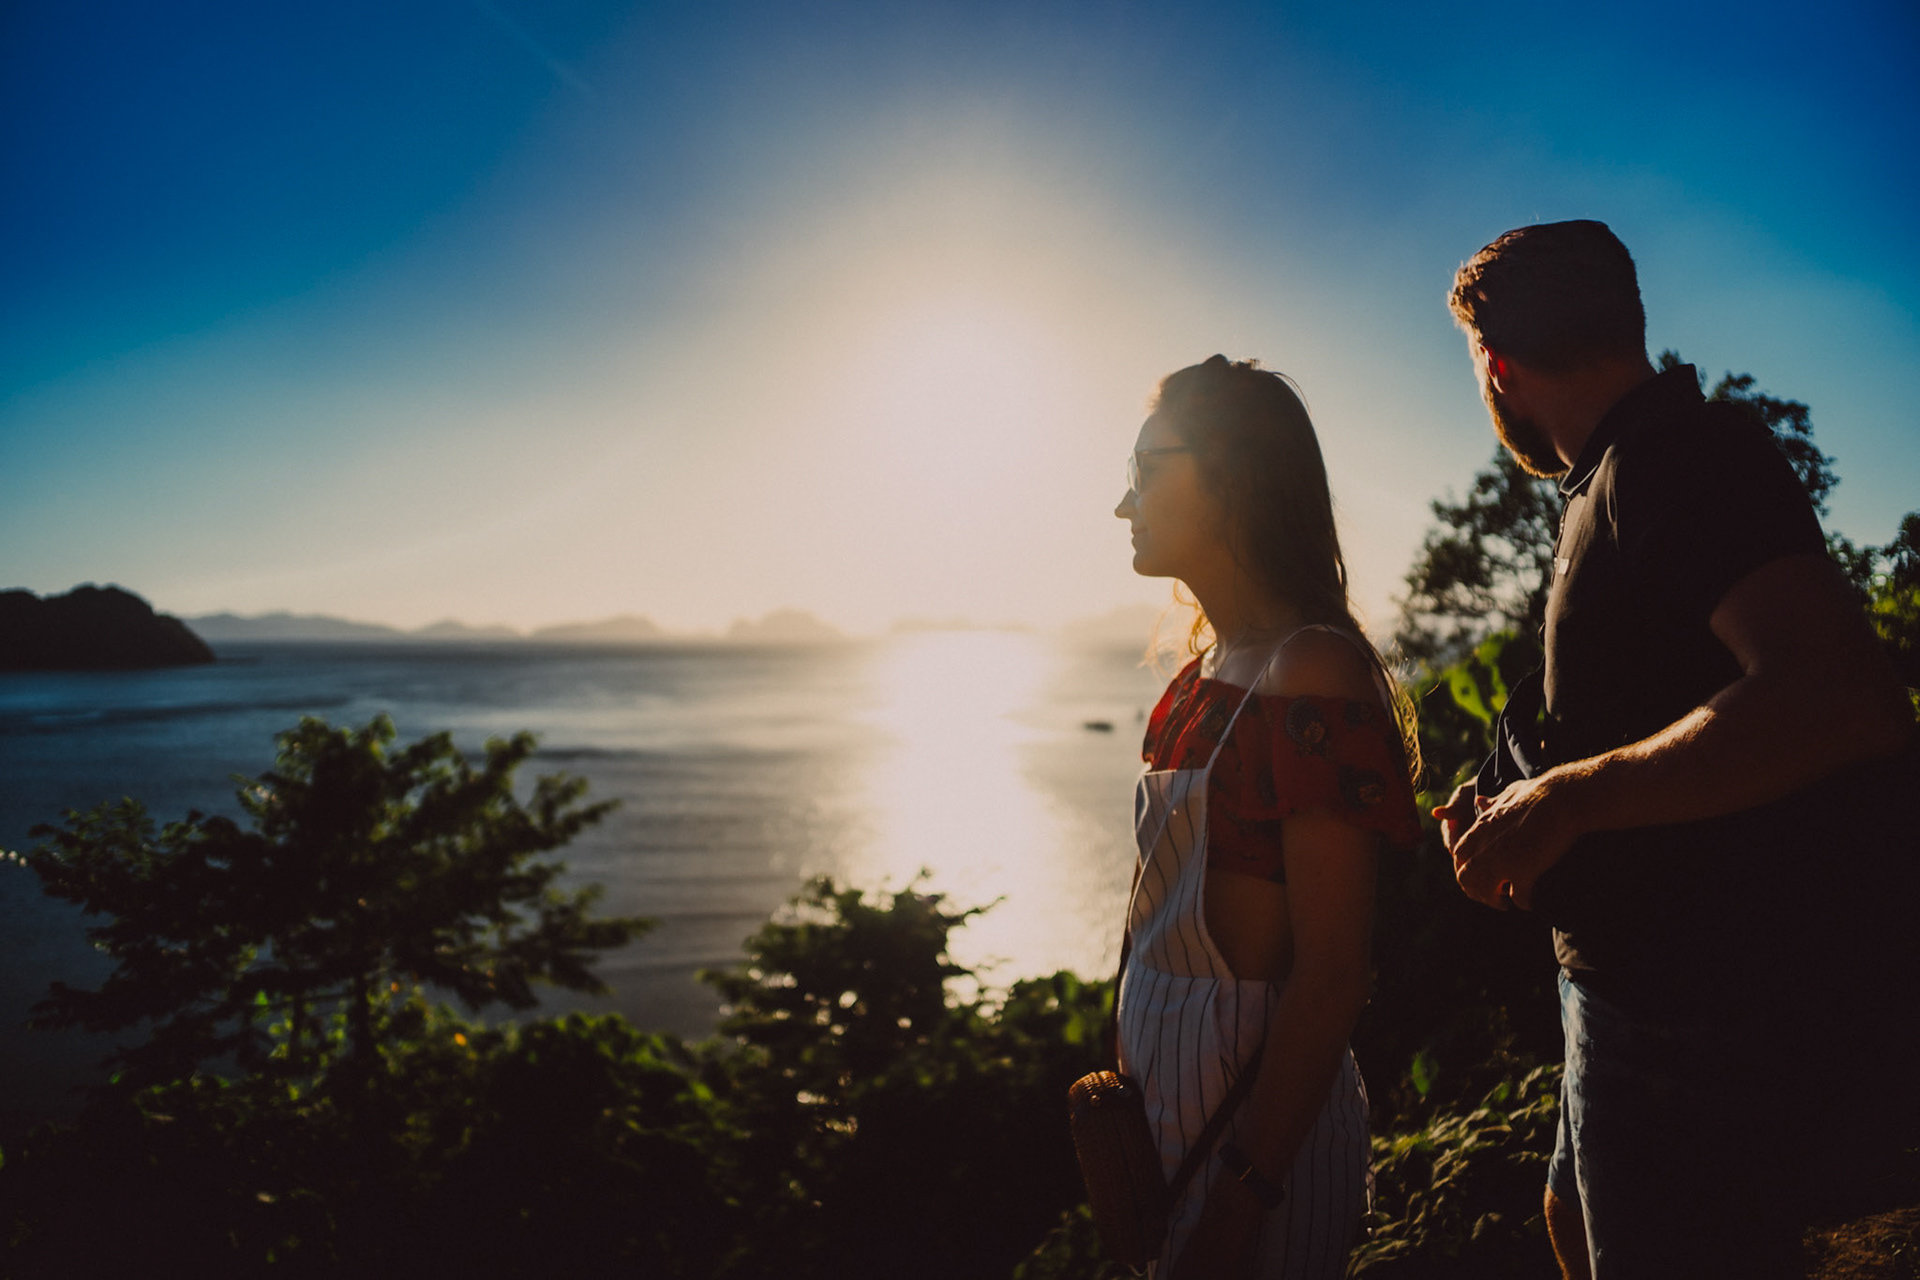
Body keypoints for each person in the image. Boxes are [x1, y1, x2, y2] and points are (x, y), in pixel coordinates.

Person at [1435, 220, 1918, 1280]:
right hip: (1619, 993)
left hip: (1688, 1015)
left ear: (1497, 365)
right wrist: (1522, 793)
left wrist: (1565, 799)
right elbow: (1665, 705)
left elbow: (1840, 693)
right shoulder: (1615, 473)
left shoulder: (1679, 456)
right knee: (1571, 1209)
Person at [1112, 355, 1421, 1279]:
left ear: (1235, 476)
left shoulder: (1310, 673)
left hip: (1257, 1140)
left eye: (1145, 472)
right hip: (1173, 1117)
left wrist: (1241, 1201)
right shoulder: (1198, 678)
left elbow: (1332, 976)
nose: (1123, 506)